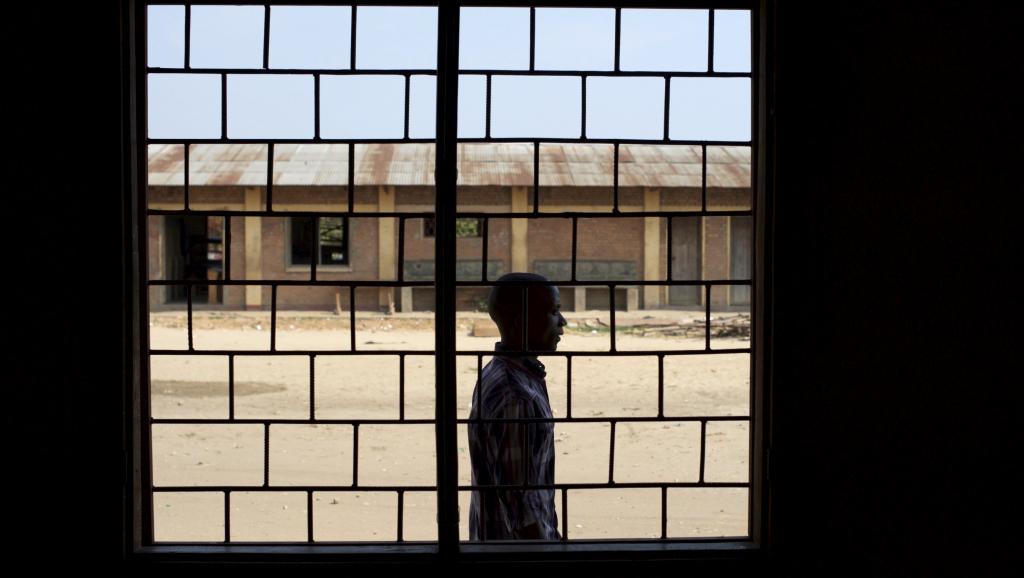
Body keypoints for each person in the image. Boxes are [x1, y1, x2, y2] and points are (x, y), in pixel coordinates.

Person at [467, 272, 567, 541]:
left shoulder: (502, 373)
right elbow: (522, 508)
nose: (562, 322)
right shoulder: (516, 396)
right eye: (554, 311)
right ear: (522, 319)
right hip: (515, 558)